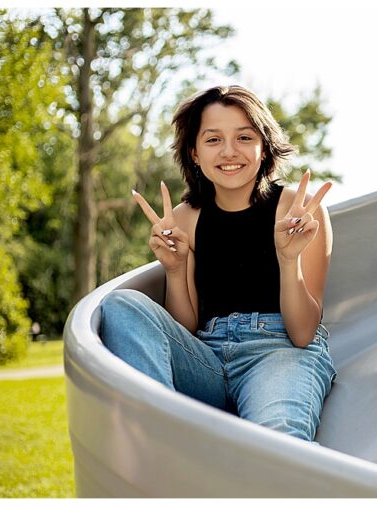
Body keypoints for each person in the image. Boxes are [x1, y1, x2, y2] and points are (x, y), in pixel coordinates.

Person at [98, 84, 338, 442]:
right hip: (205, 357)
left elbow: (303, 334)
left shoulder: (299, 211)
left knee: (276, 445)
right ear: (194, 152)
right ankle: (157, 439)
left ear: (263, 146)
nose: (229, 152)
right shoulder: (185, 218)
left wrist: (289, 262)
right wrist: (176, 270)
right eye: (213, 140)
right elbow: (185, 328)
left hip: (278, 352)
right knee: (121, 304)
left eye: (244, 137)